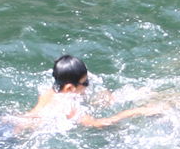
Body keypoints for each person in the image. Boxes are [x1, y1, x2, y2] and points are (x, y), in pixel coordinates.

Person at [18, 55, 163, 129]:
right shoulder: (68, 107)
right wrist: (136, 111)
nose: (88, 86)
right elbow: (98, 124)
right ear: (69, 87)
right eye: (85, 83)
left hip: (17, 124)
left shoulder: (48, 93)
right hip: (17, 138)